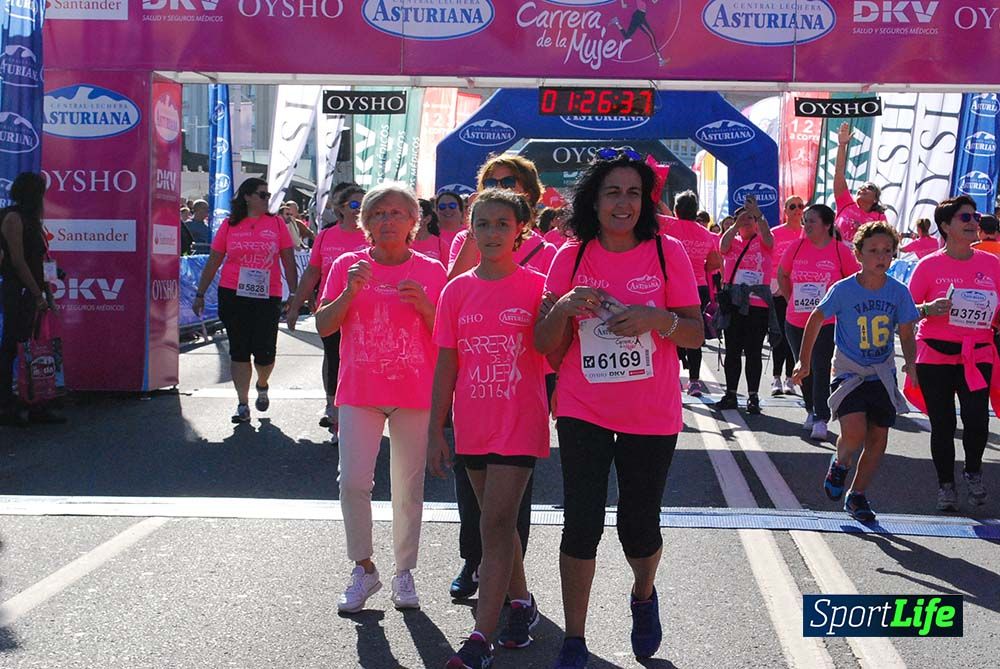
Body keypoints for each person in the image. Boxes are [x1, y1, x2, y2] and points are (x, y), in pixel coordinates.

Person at [534, 152, 702, 667]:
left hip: (651, 411)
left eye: (632, 192)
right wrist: (562, 308)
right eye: (612, 192)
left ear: (645, 201)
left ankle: (644, 594)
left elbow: (695, 332)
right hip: (584, 405)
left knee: (638, 524)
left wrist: (658, 318)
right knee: (581, 521)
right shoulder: (570, 256)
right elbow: (543, 343)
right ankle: (574, 637)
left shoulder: (667, 253)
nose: (623, 202)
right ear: (595, 200)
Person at [428, 189, 550, 669]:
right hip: (473, 423)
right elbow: (446, 364)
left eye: (503, 224)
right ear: (471, 231)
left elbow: (555, 350)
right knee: (495, 523)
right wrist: (437, 427)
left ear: (520, 229)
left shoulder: (538, 287)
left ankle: (481, 636)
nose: (493, 233)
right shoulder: (455, 291)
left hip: (519, 421)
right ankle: (521, 603)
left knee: (495, 522)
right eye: (483, 224)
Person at [315, 182, 447, 614]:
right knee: (353, 481)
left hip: (414, 391)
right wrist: (349, 293)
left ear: (415, 221)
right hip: (360, 390)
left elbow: (450, 336)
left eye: (396, 213)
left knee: (408, 488)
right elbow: (323, 327)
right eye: (377, 214)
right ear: (365, 223)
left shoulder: (431, 269)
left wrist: (427, 307)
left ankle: (404, 573)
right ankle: (364, 568)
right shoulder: (349, 267)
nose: (387, 220)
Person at [446, 154, 553, 601]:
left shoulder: (548, 251)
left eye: (509, 182)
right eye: (491, 181)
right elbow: (452, 293)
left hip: (523, 379)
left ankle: (510, 582)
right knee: (473, 489)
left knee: (510, 497)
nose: (501, 185)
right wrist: (480, 236)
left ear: (528, 192)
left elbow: (550, 324)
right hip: (473, 383)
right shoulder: (464, 242)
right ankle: (476, 560)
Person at [792, 222, 918, 522]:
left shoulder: (898, 292)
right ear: (858, 254)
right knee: (855, 431)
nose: (881, 257)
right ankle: (841, 462)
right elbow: (816, 317)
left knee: (878, 437)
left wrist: (911, 363)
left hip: (882, 373)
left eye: (888, 251)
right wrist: (804, 361)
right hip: (849, 372)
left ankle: (857, 495)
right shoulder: (844, 289)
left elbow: (906, 331)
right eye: (873, 250)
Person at [907, 195, 998, 511]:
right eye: (965, 218)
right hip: (935, 356)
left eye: (975, 217)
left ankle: (972, 471)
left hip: (978, 355)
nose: (974, 222)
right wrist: (927, 308)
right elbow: (905, 313)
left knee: (976, 420)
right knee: (943, 424)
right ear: (945, 226)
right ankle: (946, 485)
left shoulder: (992, 264)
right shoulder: (929, 266)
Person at [192, 178, 298, 424]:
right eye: (262, 194)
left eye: (267, 194)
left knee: (265, 353)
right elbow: (214, 260)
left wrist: (294, 293)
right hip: (233, 293)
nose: (266, 198)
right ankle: (242, 403)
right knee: (239, 349)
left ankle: (262, 383)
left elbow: (288, 260)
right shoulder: (230, 225)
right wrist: (200, 293)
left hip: (266, 294)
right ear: (248, 197)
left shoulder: (277, 224)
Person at [286, 185, 367, 438]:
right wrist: (295, 304)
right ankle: (333, 409)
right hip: (331, 308)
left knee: (355, 363)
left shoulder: (372, 236)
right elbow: (313, 272)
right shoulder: (325, 236)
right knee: (333, 357)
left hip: (364, 311)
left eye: (363, 205)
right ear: (340, 208)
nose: (359, 211)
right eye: (354, 205)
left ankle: (356, 414)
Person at [779, 204, 860, 440]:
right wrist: (790, 298)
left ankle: (821, 417)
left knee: (821, 366)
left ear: (827, 225)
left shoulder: (840, 251)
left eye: (812, 220)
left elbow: (853, 281)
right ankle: (810, 409)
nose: (807, 224)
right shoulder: (795, 247)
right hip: (795, 321)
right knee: (802, 367)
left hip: (826, 321)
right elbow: (782, 275)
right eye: (805, 220)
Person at [0, 172, 64, 425]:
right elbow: (18, 260)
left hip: (35, 290)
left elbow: (43, 260)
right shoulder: (13, 218)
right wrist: (38, 293)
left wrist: (48, 293)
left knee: (37, 346)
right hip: (20, 290)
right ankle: (6, 402)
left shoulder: (34, 219)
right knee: (13, 345)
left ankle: (36, 399)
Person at [448, 155, 556, 279]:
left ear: (529, 193)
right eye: (491, 184)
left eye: (508, 183)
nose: (498, 190)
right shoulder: (465, 239)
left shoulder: (545, 251)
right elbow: (455, 286)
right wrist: (474, 226)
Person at [659, 190, 722, 397]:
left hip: (671, 286)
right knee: (694, 335)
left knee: (670, 332)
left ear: (676, 210)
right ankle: (695, 382)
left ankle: (673, 379)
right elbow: (714, 263)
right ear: (696, 211)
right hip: (699, 288)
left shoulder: (668, 225)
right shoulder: (705, 232)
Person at [717, 198, 775, 414]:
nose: (748, 222)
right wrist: (734, 225)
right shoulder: (732, 240)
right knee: (732, 351)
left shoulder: (764, 241)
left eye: (751, 219)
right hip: (734, 302)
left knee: (753, 351)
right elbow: (722, 247)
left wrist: (758, 215)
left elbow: (769, 239)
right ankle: (730, 394)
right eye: (744, 218)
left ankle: (753, 396)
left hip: (757, 304)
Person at [768, 196, 805, 397]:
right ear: (785, 210)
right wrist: (775, 286)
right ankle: (776, 378)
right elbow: (768, 262)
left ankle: (791, 378)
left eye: (801, 206)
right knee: (779, 334)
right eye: (793, 206)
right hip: (777, 289)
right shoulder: (775, 233)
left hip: (800, 290)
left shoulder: (807, 234)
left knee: (795, 335)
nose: (797, 210)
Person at [833, 122, 887, 244]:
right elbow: (839, 172)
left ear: (875, 199)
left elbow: (884, 241)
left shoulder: (879, 217)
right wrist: (841, 145)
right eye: (861, 187)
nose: (862, 189)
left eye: (869, 188)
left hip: (863, 260)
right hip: (838, 255)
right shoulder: (845, 203)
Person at [609, 0, 668, 67]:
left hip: (637, 15)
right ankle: (660, 60)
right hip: (639, 17)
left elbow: (654, 2)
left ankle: (616, 22)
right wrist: (623, 3)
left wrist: (623, 4)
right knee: (651, 36)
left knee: (627, 36)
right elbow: (654, 1)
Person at [435, 190, 467, 255]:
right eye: (442, 207)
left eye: (452, 206)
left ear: (461, 210)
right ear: (436, 211)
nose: (447, 209)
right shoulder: (430, 233)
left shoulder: (470, 234)